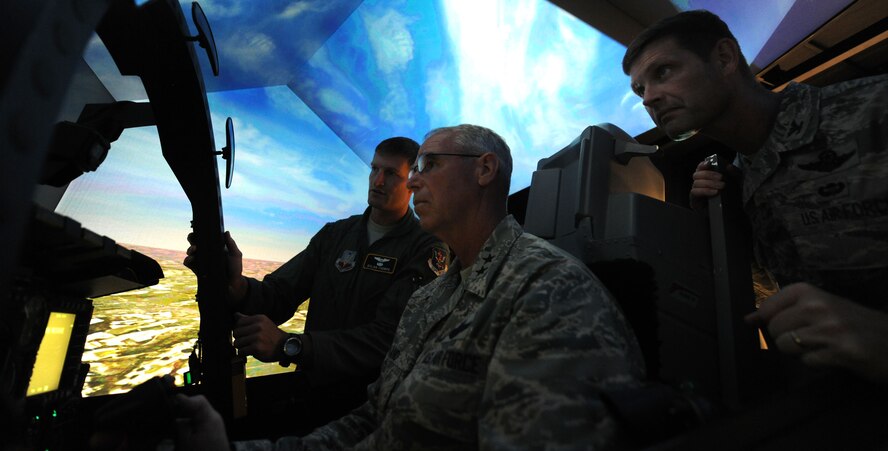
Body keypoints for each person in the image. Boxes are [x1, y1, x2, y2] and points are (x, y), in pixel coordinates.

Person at [177, 124, 645, 450]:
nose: (411, 178)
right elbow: (379, 421)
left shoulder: (547, 291)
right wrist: (233, 285)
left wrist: (294, 345)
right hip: (318, 398)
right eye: (407, 168)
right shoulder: (430, 296)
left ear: (484, 170)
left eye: (429, 164)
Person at [623, 10, 888, 383]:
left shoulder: (874, 109)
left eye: (663, 72)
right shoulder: (740, 183)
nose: (650, 98)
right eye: (640, 90)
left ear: (724, 58)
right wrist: (724, 229)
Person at [184, 137, 450, 423]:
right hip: (311, 393)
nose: (378, 180)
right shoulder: (335, 235)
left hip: (371, 408)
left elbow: (388, 339)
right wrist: (236, 285)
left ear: (412, 182)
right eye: (374, 169)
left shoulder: (427, 249)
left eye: (391, 174)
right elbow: (280, 294)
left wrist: (291, 345)